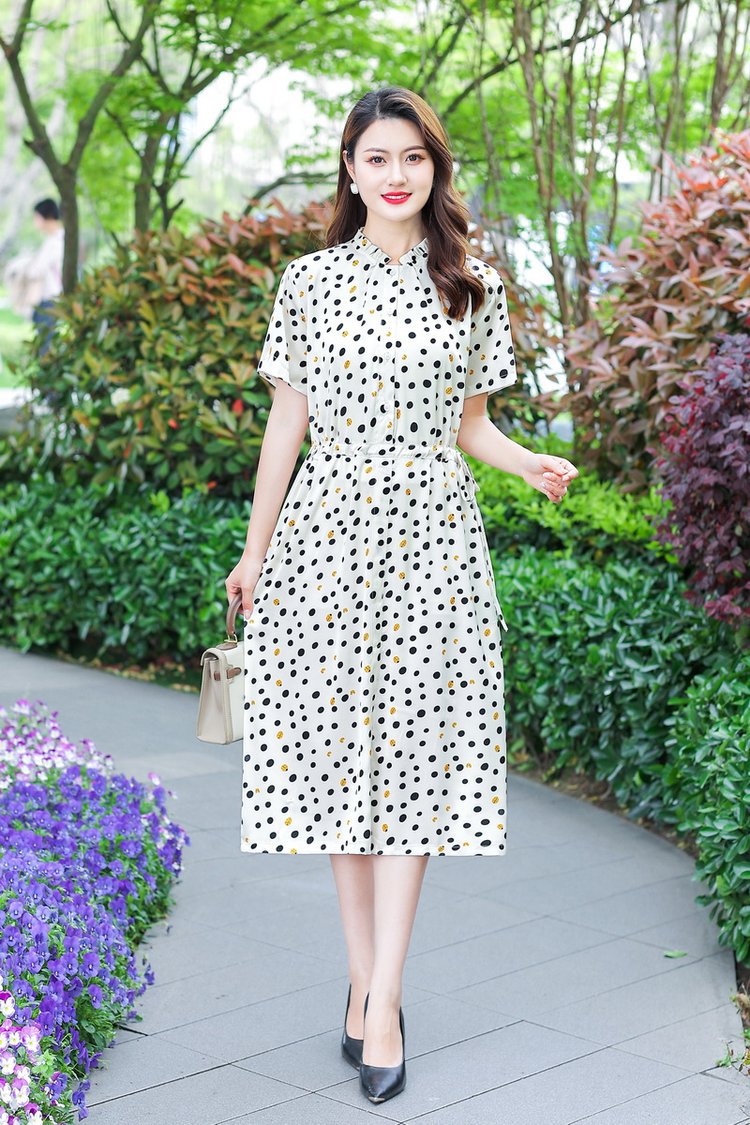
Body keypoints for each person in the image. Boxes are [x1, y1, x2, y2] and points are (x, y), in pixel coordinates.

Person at [225, 85, 578, 1106]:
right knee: (337, 760)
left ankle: (384, 999)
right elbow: (285, 425)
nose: (394, 174)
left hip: (433, 542)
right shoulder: (309, 282)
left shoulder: (471, 284)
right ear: (350, 169)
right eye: (376, 157)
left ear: (435, 168)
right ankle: (363, 983)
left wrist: (527, 463)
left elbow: (471, 425)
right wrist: (254, 553)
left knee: (419, 760)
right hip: (325, 540)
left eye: (412, 157)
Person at [3, 198, 64, 355]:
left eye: (36, 217)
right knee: (46, 343)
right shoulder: (57, 239)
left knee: (46, 346)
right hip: (53, 299)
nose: (35, 222)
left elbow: (34, 271)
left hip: (50, 300)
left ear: (46, 216)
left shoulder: (55, 242)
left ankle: (47, 369)